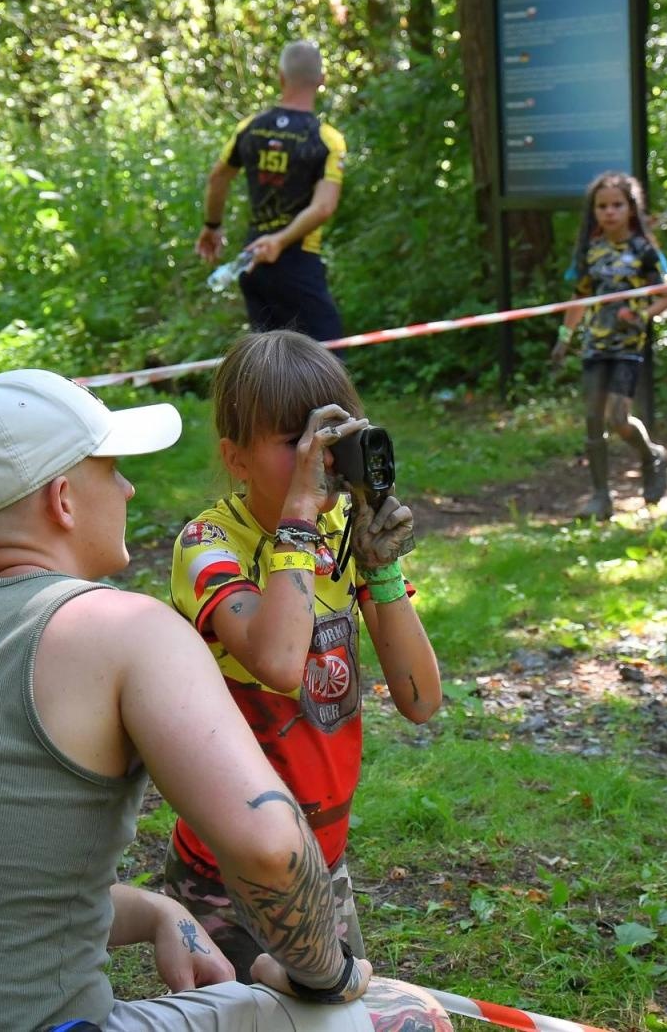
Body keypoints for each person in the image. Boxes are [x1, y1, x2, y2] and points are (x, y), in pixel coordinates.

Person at [0, 369, 449, 1032]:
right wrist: (331, 973)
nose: (128, 486)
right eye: (111, 468)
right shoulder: (120, 628)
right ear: (63, 499)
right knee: (408, 1019)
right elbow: (269, 851)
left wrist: (156, 910)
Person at [165, 330, 441, 979]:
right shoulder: (209, 544)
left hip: (322, 858)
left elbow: (421, 700)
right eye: (296, 441)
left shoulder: (338, 536)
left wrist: (379, 571)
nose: (320, 459)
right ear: (235, 457)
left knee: (336, 1015)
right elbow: (279, 662)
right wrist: (296, 525)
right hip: (227, 869)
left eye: (334, 436)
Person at [196, 40, 347, 343]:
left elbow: (218, 178)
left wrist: (212, 226)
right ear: (321, 80)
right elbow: (323, 207)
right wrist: (279, 240)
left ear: (281, 77)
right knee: (328, 358)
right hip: (298, 258)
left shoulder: (250, 128)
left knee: (269, 363)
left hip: (253, 259)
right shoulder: (326, 139)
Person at [549, 170, 667, 520]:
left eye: (617, 205)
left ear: (631, 209)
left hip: (627, 348)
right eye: (602, 206)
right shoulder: (590, 251)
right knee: (592, 419)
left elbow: (666, 297)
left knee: (619, 418)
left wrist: (642, 315)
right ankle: (600, 497)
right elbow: (579, 297)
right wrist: (564, 338)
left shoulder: (643, 250)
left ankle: (651, 455)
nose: (609, 212)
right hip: (594, 346)